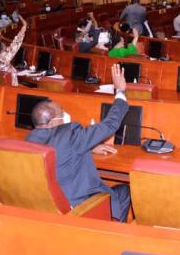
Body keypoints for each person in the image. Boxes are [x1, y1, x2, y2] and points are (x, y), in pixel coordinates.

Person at [26, 63, 131, 222]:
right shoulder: (70, 134)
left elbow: (61, 150)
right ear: (54, 121)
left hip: (48, 206)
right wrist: (120, 91)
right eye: (62, 113)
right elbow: (111, 124)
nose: (65, 115)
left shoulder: (29, 139)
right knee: (124, 191)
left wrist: (89, 146)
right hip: (77, 207)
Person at [0, 14, 27, 86]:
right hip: (12, 90)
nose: (5, 46)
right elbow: (16, 43)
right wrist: (24, 26)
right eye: (4, 45)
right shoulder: (4, 58)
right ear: (0, 51)